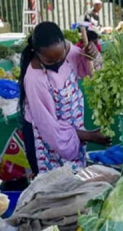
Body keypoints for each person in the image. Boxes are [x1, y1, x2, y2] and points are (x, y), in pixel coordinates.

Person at [18, 22, 110, 175]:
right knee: (54, 189)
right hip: (46, 139)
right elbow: (49, 128)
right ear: (36, 53)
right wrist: (89, 135)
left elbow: (93, 72)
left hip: (72, 135)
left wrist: (93, 55)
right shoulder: (34, 79)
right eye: (50, 61)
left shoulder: (68, 50)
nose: (57, 62)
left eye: (60, 57)